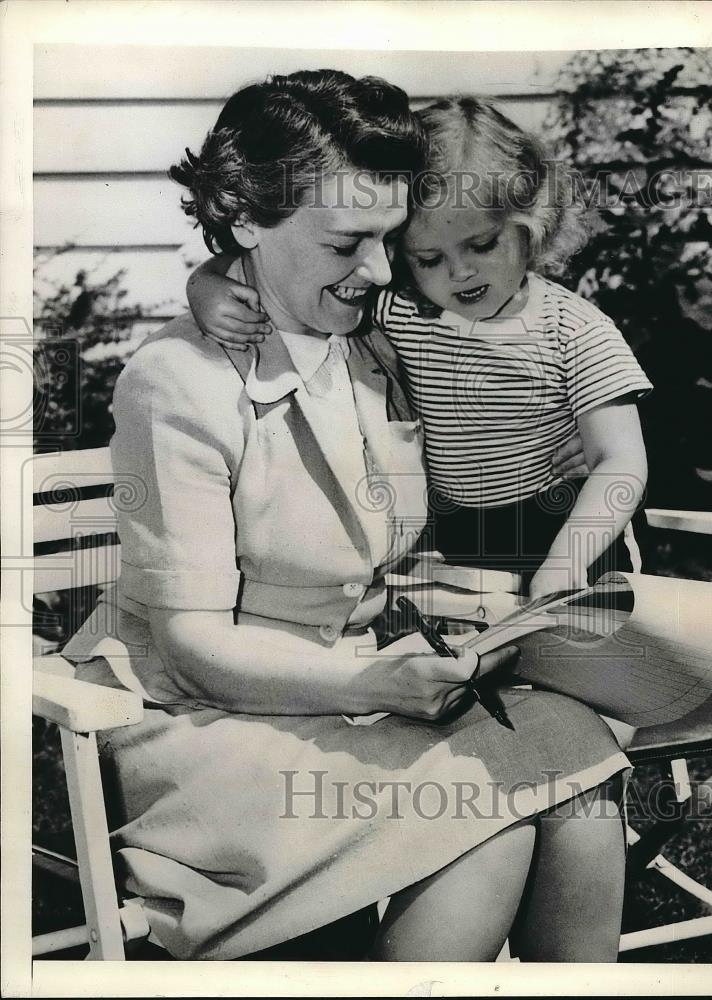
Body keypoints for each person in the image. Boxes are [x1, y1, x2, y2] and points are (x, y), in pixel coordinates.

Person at [64, 71, 630, 963]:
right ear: (247, 218)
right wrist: (371, 687)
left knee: (578, 761)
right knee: (484, 817)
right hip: (209, 721)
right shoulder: (176, 385)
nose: (378, 270)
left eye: (389, 239)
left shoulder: (373, 336)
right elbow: (194, 647)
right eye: (346, 244)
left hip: (362, 686)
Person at [189, 96, 652, 599]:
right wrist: (207, 282)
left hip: (568, 530)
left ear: (532, 223)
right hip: (454, 533)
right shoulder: (401, 309)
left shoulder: (575, 330)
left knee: (584, 655)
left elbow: (621, 461)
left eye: (482, 245)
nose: (460, 272)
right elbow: (264, 264)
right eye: (429, 258)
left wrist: (567, 562)